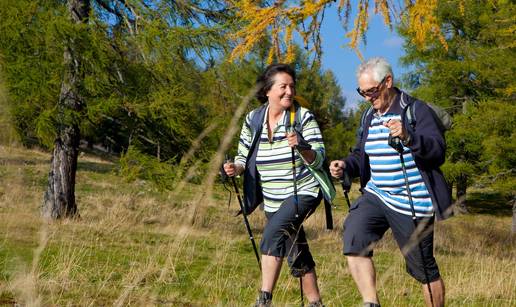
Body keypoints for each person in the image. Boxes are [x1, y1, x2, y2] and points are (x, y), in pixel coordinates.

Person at [330, 57, 452, 307]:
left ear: (388, 82)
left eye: (371, 91)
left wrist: (409, 136)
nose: (367, 98)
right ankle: (371, 303)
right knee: (354, 239)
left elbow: (437, 151)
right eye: (361, 92)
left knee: (423, 270)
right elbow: (360, 155)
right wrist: (345, 165)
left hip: (412, 201)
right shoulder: (368, 116)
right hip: (377, 195)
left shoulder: (416, 110)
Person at [224, 63, 334, 307]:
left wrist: (302, 147)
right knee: (296, 249)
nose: (289, 92)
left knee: (273, 234)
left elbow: (319, 158)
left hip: (304, 191)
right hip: (272, 198)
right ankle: (316, 303)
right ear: (267, 91)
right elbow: (243, 156)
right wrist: (235, 168)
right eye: (283, 86)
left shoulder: (303, 117)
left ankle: (264, 300)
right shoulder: (253, 119)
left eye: (292, 87)